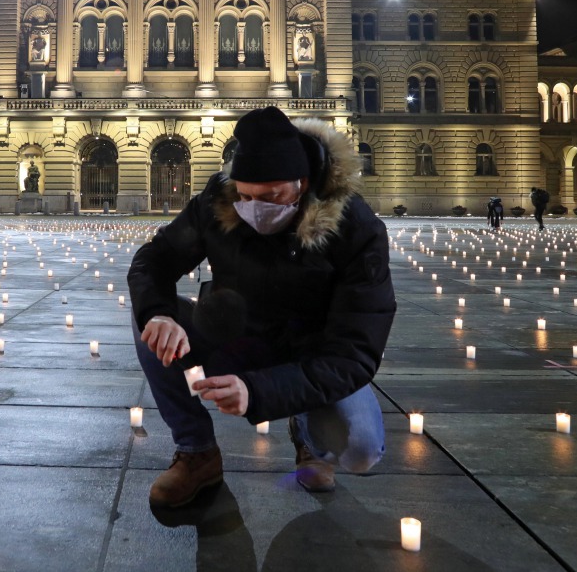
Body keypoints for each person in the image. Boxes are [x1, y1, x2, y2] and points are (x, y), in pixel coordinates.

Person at [128, 106, 396, 509]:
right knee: (147, 321)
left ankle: (310, 440)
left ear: (303, 182)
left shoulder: (354, 228)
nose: (255, 207)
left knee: (359, 449)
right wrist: (160, 314)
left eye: (271, 197)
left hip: (312, 354)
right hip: (236, 337)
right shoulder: (219, 200)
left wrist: (259, 392)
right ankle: (196, 450)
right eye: (246, 196)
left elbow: (354, 353)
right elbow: (154, 260)